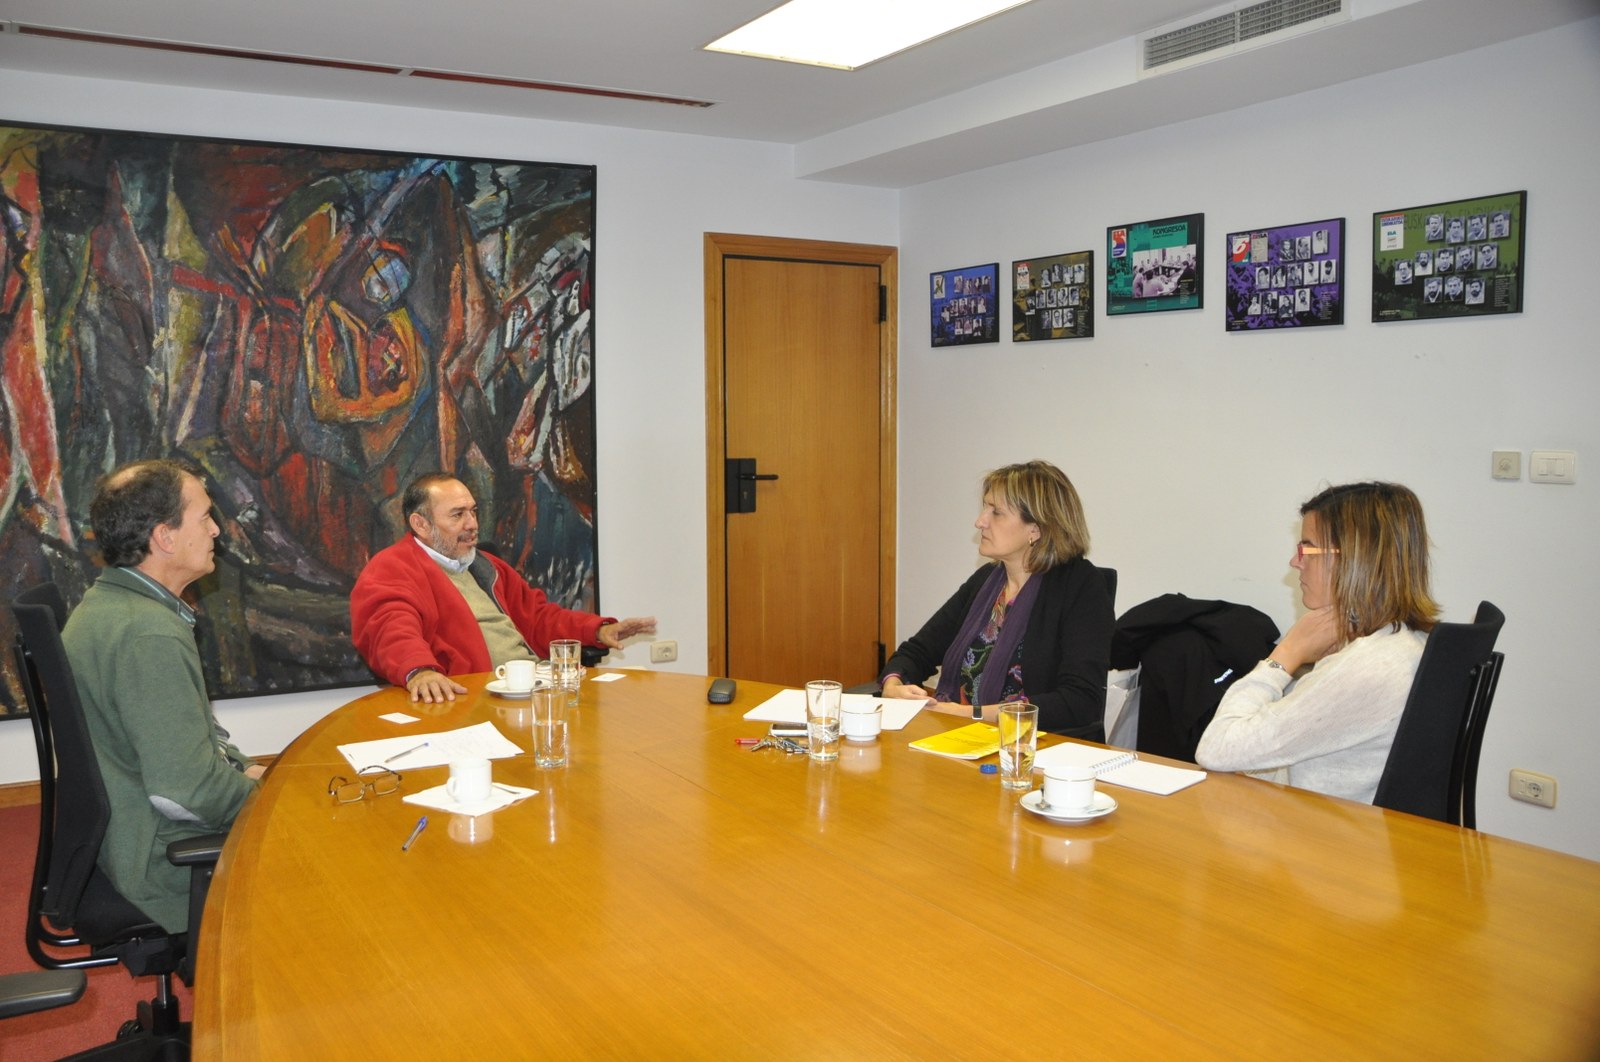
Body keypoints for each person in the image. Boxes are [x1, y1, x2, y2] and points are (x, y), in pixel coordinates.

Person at [61, 459, 263, 934]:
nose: (216, 530)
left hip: (124, 840)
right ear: (165, 537)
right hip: (158, 866)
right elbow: (184, 792)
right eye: (205, 517)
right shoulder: (148, 634)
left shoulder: (109, 605)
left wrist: (243, 768)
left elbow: (193, 742)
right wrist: (272, 799)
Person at [1196, 482, 1440, 803]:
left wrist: (1284, 656)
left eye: (1306, 549)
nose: (1295, 562)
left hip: (1315, 825)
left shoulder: (1368, 666)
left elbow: (1216, 748)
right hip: (1319, 814)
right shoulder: (1403, 642)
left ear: (1355, 558)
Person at [351, 473, 655, 703]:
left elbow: (538, 617)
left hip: (533, 688)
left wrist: (598, 630)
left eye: (473, 511)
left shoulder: (487, 566)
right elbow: (390, 628)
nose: (472, 524)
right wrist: (419, 670)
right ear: (421, 524)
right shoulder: (393, 567)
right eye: (458, 515)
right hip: (475, 701)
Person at [877, 461, 1113, 739]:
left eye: (996, 512)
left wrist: (972, 714)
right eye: (984, 508)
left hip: (1035, 748)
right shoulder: (987, 582)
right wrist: (893, 684)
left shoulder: (1081, 586)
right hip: (960, 735)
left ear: (1036, 529)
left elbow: (1080, 701)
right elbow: (917, 651)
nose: (980, 521)